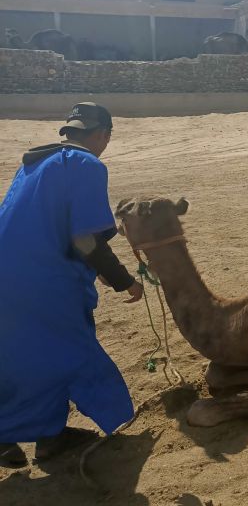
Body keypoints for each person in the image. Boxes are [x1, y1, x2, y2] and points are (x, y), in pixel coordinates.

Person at [0, 102, 143, 468]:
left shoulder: (33, 165)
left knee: (20, 355)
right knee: (67, 353)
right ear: (104, 135)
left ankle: (44, 437)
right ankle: (41, 434)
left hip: (9, 276)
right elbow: (85, 239)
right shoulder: (87, 165)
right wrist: (124, 280)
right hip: (43, 282)